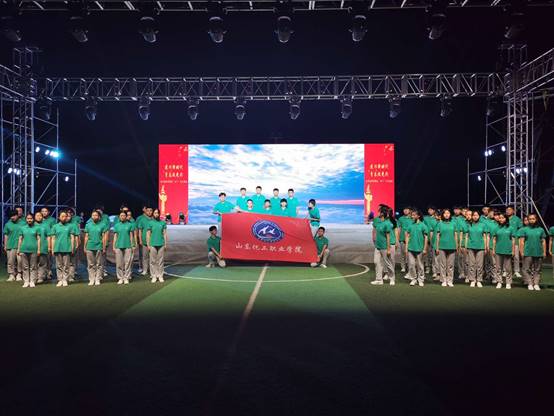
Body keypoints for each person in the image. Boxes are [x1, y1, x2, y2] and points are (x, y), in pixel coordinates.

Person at [518, 213, 546, 291]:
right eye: (530, 219)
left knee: (537, 269)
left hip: (538, 252)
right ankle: (530, 283)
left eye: (533, 219)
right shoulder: (524, 229)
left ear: (536, 219)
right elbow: (522, 242)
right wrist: (522, 252)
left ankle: (536, 284)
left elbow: (543, 242)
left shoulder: (541, 229)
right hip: (527, 252)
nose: (531, 220)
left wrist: (544, 252)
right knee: (525, 269)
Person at [371, 206, 396, 286]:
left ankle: (392, 278)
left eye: (379, 212)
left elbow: (388, 237)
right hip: (377, 246)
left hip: (385, 247)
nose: (378, 213)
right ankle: (379, 279)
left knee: (388, 263)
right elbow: (376, 233)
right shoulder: (379, 223)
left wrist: (388, 249)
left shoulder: (387, 223)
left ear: (382, 213)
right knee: (376, 262)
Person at [49, 211, 75, 287]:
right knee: (59, 265)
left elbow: (72, 238)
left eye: (65, 216)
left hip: (67, 248)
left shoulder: (70, 226)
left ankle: (65, 280)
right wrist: (53, 249)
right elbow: (53, 238)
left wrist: (72, 248)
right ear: (59, 217)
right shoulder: (55, 226)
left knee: (66, 265)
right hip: (57, 248)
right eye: (62, 216)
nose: (64, 218)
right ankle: (60, 280)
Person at [491, 213, 515, 289]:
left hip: (508, 250)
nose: (501, 219)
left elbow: (513, 240)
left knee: (508, 268)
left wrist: (513, 250)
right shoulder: (496, 228)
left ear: (506, 219)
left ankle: (508, 282)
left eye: (503, 218)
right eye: (500, 218)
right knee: (498, 268)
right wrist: (494, 250)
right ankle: (499, 282)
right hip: (498, 250)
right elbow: (494, 240)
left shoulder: (511, 228)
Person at [405, 209, 428, 287]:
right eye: (412, 215)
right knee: (411, 264)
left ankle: (420, 279)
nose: (412, 216)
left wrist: (425, 248)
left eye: (414, 215)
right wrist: (406, 247)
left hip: (420, 248)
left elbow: (426, 238)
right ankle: (413, 279)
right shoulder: (410, 225)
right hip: (411, 248)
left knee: (420, 265)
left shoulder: (423, 225)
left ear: (418, 216)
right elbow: (407, 236)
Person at [465, 210, 488, 288]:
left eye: (477, 215)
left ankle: (479, 280)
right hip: (471, 246)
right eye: (474, 215)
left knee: (479, 265)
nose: (475, 217)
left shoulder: (483, 225)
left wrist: (485, 247)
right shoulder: (469, 225)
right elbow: (467, 236)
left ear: (479, 216)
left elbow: (485, 237)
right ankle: (472, 280)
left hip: (480, 247)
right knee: (471, 264)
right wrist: (466, 246)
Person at [84, 209, 107, 286]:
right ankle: (91, 279)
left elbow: (104, 237)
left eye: (96, 215)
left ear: (99, 217)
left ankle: (97, 278)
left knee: (99, 264)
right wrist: (85, 246)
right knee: (90, 264)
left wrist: (103, 247)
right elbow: (86, 236)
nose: (94, 216)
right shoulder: (88, 225)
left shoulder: (102, 225)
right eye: (93, 215)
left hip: (99, 246)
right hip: (90, 246)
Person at [17, 213, 40, 288]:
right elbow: (20, 239)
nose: (29, 220)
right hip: (24, 249)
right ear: (26, 219)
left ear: (33, 219)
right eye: (28, 218)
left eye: (31, 218)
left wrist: (39, 249)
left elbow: (38, 239)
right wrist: (18, 249)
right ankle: (26, 281)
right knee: (25, 267)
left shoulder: (37, 228)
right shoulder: (22, 228)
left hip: (34, 250)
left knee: (33, 266)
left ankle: (32, 281)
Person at [435, 208, 457, 287]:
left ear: (450, 214)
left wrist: (456, 246)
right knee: (442, 264)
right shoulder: (440, 224)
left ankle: (450, 280)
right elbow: (438, 237)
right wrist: (437, 247)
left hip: (452, 246)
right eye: (445, 213)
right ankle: (443, 280)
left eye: (448, 213)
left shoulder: (453, 223)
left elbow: (455, 235)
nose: (446, 215)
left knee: (450, 265)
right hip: (442, 246)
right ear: (443, 215)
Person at [113, 211, 135, 285]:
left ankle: (126, 278)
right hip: (118, 246)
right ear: (119, 217)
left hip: (128, 246)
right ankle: (120, 278)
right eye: (121, 216)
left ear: (126, 216)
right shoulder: (117, 225)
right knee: (119, 263)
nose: (122, 217)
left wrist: (132, 245)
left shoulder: (130, 225)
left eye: (124, 215)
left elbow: (131, 236)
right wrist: (114, 246)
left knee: (127, 263)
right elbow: (115, 236)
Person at [146, 208, 167, 283]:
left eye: (157, 213)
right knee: (152, 261)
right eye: (155, 213)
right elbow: (148, 234)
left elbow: (164, 234)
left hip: (161, 243)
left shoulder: (163, 223)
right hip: (152, 244)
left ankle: (160, 275)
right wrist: (148, 244)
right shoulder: (150, 223)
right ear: (153, 214)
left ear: (159, 214)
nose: (156, 214)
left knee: (160, 261)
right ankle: (154, 276)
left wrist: (165, 244)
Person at [3, 210, 22, 282]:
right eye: (11, 216)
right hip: (10, 245)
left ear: (17, 215)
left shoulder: (23, 223)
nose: (12, 217)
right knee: (10, 261)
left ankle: (19, 274)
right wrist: (5, 245)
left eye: (14, 215)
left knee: (20, 261)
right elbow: (6, 235)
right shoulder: (8, 224)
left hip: (21, 246)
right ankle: (11, 274)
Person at [505, 205, 523, 278]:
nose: (508, 211)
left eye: (509, 210)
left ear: (513, 211)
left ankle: (516, 271)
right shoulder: (504, 218)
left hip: (515, 240)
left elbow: (520, 228)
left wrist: (517, 235)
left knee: (516, 256)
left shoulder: (517, 219)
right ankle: (505, 270)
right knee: (505, 256)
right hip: (506, 240)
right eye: (507, 210)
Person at [137, 205, 154, 276]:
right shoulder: (142, 220)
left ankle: (152, 270)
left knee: (152, 257)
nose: (149, 212)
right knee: (145, 256)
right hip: (144, 241)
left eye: (151, 211)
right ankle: (145, 270)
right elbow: (140, 231)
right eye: (148, 211)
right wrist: (140, 240)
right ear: (145, 211)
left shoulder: (154, 219)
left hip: (153, 241)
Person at [34, 211, 50, 284]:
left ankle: (41, 277)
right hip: (33, 247)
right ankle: (34, 277)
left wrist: (49, 246)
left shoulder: (46, 225)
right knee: (34, 263)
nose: (38, 217)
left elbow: (49, 236)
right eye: (37, 215)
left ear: (42, 217)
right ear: (34, 217)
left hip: (43, 246)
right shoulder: (32, 225)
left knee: (42, 263)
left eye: (40, 215)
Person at [40, 207, 56, 280]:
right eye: (42, 211)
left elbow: (53, 230)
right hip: (41, 241)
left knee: (48, 258)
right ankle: (42, 273)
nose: (44, 212)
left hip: (49, 239)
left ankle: (49, 271)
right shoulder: (39, 219)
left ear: (48, 212)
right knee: (42, 260)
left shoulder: (52, 220)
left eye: (45, 211)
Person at [66, 209, 81, 282]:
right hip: (64, 246)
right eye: (66, 216)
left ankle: (71, 276)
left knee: (72, 262)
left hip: (72, 246)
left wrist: (77, 245)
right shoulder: (58, 225)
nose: (67, 217)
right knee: (64, 263)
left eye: (69, 216)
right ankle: (64, 277)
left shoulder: (74, 225)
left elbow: (77, 236)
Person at [397, 206, 413, 275]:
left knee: (410, 255)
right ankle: (403, 267)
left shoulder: (412, 218)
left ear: (410, 210)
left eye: (407, 209)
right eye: (404, 209)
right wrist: (398, 238)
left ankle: (410, 267)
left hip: (411, 239)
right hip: (402, 239)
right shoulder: (400, 218)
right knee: (403, 254)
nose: (405, 210)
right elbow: (399, 229)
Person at [423, 206, 438, 276]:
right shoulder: (425, 218)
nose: (430, 211)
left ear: (434, 211)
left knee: (434, 256)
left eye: (431, 210)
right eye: (429, 210)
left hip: (434, 240)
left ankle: (434, 270)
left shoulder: (436, 219)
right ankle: (427, 268)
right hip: (427, 239)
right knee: (427, 255)